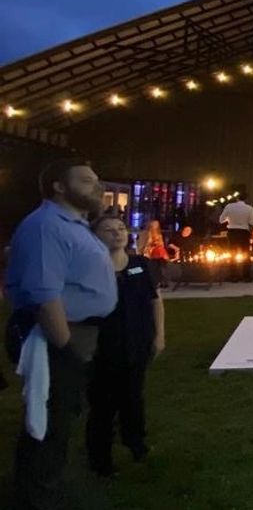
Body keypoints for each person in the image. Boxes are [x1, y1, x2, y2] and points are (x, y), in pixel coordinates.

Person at [5, 157, 116, 509]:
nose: (97, 187)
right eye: (86, 180)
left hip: (78, 331)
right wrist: (66, 348)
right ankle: (36, 495)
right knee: (48, 417)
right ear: (59, 186)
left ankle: (45, 485)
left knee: (61, 415)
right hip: (55, 333)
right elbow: (44, 294)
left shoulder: (75, 225)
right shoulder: (45, 226)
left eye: (97, 180)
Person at [86, 215, 165, 477]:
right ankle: (101, 460)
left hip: (137, 342)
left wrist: (159, 335)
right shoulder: (89, 268)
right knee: (103, 404)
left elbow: (156, 301)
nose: (116, 233)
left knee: (133, 397)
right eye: (108, 230)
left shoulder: (140, 265)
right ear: (95, 236)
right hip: (103, 345)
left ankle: (136, 444)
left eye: (120, 228)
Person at [219, 193, 253, 279]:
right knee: (246, 254)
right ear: (246, 199)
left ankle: (233, 276)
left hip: (233, 232)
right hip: (244, 232)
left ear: (236, 198)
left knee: (232, 254)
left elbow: (221, 220)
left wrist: (229, 219)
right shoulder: (249, 208)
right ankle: (246, 276)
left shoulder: (229, 206)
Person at [137, 220, 170, 288]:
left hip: (159, 253)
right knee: (148, 267)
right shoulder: (147, 233)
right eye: (154, 224)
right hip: (150, 253)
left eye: (156, 224)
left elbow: (161, 244)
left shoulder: (159, 234)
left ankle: (162, 281)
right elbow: (144, 244)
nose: (155, 226)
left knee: (161, 268)